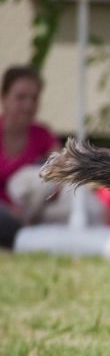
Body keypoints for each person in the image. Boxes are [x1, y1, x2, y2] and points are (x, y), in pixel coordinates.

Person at [0, 65, 58, 247]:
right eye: (20, 98)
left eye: (34, 98)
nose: (28, 105)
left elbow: (63, 171)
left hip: (31, 218)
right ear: (4, 99)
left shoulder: (42, 135)